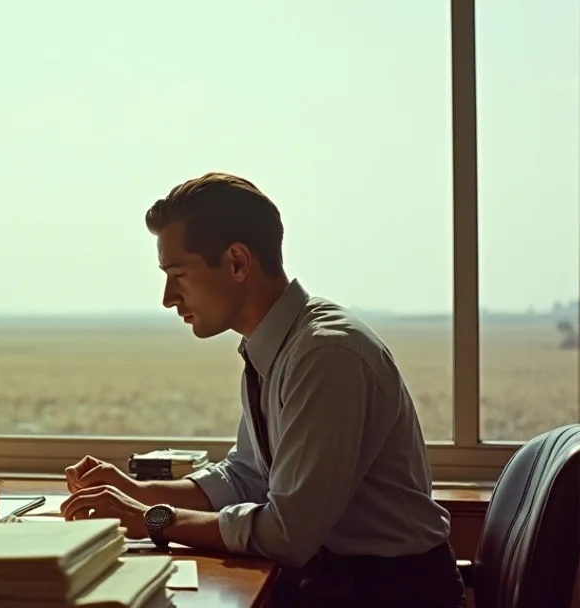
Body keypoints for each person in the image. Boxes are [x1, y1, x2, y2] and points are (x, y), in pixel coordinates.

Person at [60, 173, 465, 607]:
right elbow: (247, 477)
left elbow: (287, 533)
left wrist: (154, 519)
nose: (167, 297)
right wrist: (138, 493)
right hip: (330, 585)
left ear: (237, 262)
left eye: (179, 274)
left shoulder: (325, 354)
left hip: (385, 594)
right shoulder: (274, 347)